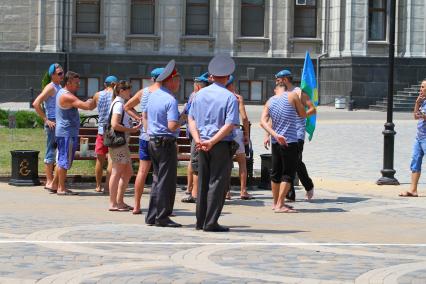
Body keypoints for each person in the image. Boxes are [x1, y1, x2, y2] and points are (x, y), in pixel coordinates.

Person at [188, 54, 240, 232]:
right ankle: (211, 222)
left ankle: (200, 221)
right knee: (217, 182)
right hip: (219, 144)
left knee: (202, 182)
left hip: (201, 143)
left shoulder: (198, 95)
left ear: (211, 76)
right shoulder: (230, 97)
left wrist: (198, 140)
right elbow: (230, 124)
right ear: (227, 77)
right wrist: (213, 141)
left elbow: (191, 119)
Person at [145, 60, 182, 227]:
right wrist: (183, 119)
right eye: (178, 79)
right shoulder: (170, 99)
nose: (179, 83)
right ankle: (162, 217)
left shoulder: (152, 96)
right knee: (166, 181)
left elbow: (144, 115)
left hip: (152, 140)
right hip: (165, 142)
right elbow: (172, 125)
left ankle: (152, 215)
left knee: (157, 179)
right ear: (170, 80)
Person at [260, 79, 306, 213]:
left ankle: (276, 203)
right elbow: (302, 114)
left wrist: (274, 135)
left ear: (276, 89)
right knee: (288, 174)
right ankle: (280, 204)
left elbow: (263, 122)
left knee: (276, 173)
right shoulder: (292, 96)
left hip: (276, 142)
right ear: (286, 89)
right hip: (290, 141)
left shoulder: (270, 101)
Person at [124, 68, 163, 214]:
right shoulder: (164, 93)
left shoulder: (144, 92)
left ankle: (137, 206)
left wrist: (138, 118)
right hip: (159, 137)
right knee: (159, 173)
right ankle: (161, 207)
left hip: (144, 137)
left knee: (142, 171)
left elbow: (127, 106)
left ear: (152, 79)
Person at [275, 69, 316, 201]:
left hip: (297, 133)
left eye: (278, 80)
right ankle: (289, 193)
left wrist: (301, 114)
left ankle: (308, 186)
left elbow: (312, 109)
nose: (276, 82)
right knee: (285, 163)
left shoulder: (299, 92)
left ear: (285, 80)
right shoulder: (280, 93)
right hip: (282, 133)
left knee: (295, 162)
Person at [55, 71, 97, 195]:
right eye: (76, 83)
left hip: (66, 132)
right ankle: (61, 188)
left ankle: (58, 186)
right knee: (64, 160)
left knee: (63, 159)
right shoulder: (67, 96)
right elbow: (87, 107)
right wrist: (96, 97)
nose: (79, 85)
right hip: (66, 133)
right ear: (68, 82)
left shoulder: (64, 93)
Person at [107, 81, 141, 211]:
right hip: (118, 142)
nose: (130, 93)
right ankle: (113, 203)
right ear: (122, 91)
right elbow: (115, 124)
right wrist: (131, 130)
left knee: (127, 172)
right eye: (128, 91)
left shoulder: (119, 103)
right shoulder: (119, 104)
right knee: (117, 172)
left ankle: (119, 201)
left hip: (122, 142)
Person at [32, 63, 64, 192]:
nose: (62, 75)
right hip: (53, 122)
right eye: (59, 73)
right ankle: (49, 181)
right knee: (51, 151)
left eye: (62, 72)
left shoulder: (58, 86)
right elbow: (36, 103)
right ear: (52, 75)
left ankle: (53, 181)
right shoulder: (50, 87)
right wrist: (46, 119)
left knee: (56, 151)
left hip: (58, 122)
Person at [181, 72, 210, 204]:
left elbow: (186, 114)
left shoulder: (195, 96)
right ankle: (196, 191)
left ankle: (195, 194)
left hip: (197, 135)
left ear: (198, 87)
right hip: (209, 135)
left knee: (196, 163)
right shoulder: (212, 96)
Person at [225, 75, 253, 200]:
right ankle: (243, 191)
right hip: (236, 132)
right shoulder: (237, 98)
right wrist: (246, 134)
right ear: (231, 85)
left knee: (225, 163)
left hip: (223, 133)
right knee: (242, 162)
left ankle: (226, 192)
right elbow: (245, 118)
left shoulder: (219, 95)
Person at [400, 80, 426, 197]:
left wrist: (422, 113)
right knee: (415, 161)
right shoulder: (422, 101)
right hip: (419, 137)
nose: (420, 89)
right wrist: (417, 103)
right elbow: (416, 116)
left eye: (422, 87)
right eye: (420, 87)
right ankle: (413, 190)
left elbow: (423, 116)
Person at [92, 75, 118, 193]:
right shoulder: (116, 95)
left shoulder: (98, 95)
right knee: (111, 159)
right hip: (112, 130)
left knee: (100, 160)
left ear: (104, 85)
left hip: (101, 131)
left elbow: (91, 106)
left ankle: (98, 185)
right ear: (114, 84)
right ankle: (108, 187)